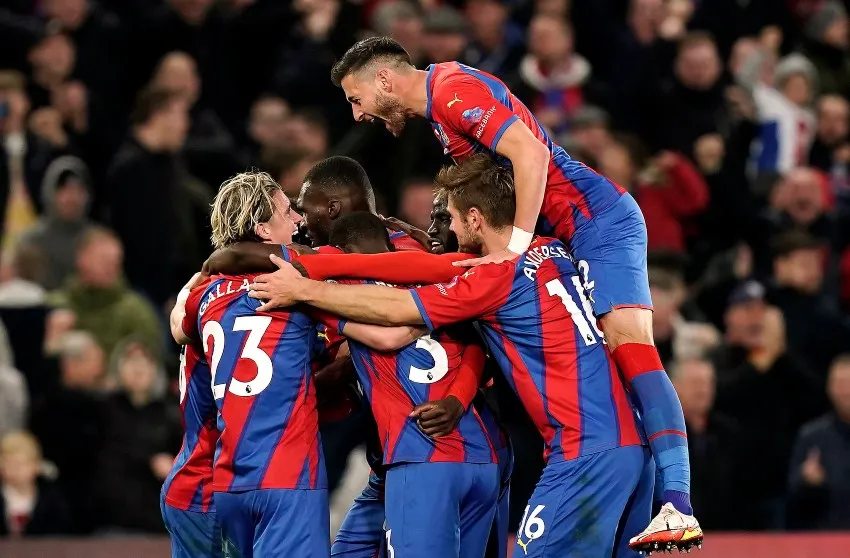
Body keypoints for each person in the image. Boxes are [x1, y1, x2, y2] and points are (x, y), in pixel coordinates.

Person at [330, 37, 698, 547]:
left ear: (385, 80)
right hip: (563, 236)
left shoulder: (452, 92)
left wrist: (515, 248)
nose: (358, 114)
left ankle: (678, 500)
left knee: (630, 346)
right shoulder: (443, 112)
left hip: (595, 219)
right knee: (605, 365)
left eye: (357, 98)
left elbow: (530, 152)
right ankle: (643, 480)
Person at [248, 154, 661, 557]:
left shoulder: (483, 276)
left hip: (460, 453)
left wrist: (309, 295)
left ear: (475, 218)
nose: (441, 229)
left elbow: (396, 323)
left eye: (449, 218)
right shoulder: (542, 251)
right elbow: (452, 305)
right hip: (542, 449)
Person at [326, 211, 501, 558]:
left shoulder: (343, 287)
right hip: (482, 457)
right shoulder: (432, 277)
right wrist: (458, 398)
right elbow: (475, 344)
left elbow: (385, 339)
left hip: (420, 455)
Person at [160, 309, 221, 557]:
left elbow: (179, 320)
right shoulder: (233, 315)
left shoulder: (198, 302)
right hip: (207, 489)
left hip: (188, 476)